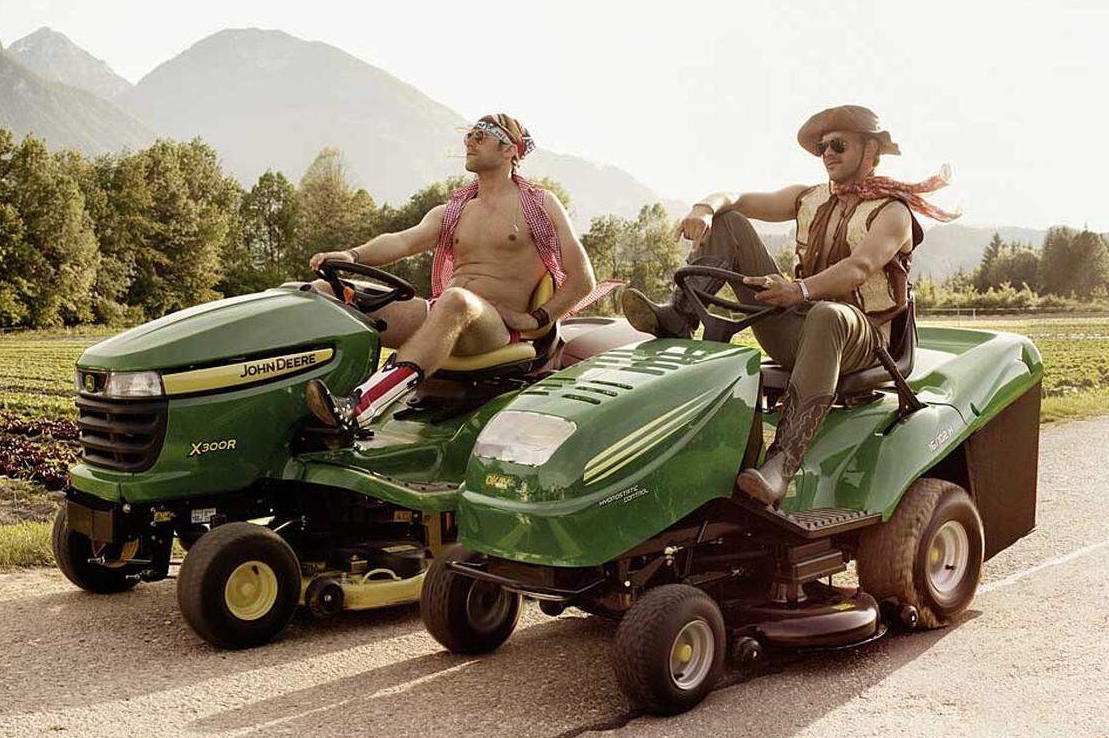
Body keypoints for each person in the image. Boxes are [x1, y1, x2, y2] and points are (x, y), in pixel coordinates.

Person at [621, 105, 958, 506]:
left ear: (871, 151)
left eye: (838, 144)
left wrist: (797, 290)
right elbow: (739, 198)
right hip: (798, 325)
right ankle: (678, 316)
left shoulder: (893, 212)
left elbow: (859, 266)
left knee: (827, 314)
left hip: (862, 339)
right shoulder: (808, 198)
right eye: (822, 148)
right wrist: (706, 208)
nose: (828, 153)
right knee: (730, 221)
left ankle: (782, 463)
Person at [304, 113, 600, 437]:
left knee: (456, 300)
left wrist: (535, 319)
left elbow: (583, 278)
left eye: (481, 136)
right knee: (322, 290)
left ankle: (358, 409)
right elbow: (402, 240)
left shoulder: (541, 204)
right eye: (469, 134)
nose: (468, 140)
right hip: (444, 313)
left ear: (510, 151)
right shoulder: (455, 209)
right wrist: (351, 256)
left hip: (494, 329)